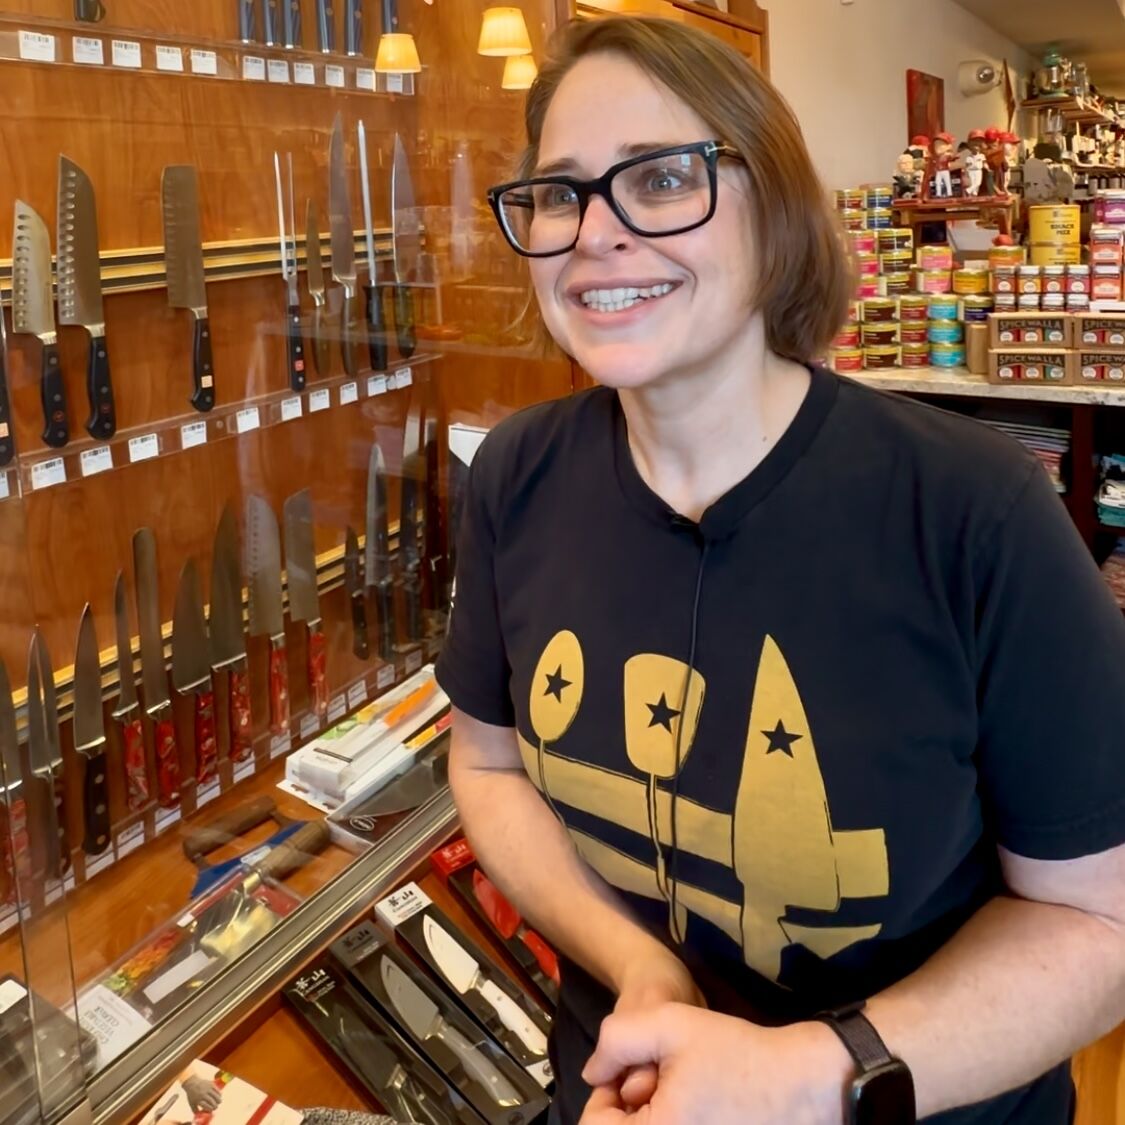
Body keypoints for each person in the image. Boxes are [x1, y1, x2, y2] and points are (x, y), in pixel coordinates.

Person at [436, 15, 1125, 1125]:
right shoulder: (518, 473)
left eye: (661, 178)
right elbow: (489, 766)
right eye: (559, 194)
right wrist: (641, 969)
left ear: (777, 205)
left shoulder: (974, 516)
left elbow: (1100, 923)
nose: (593, 234)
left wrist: (809, 1073)